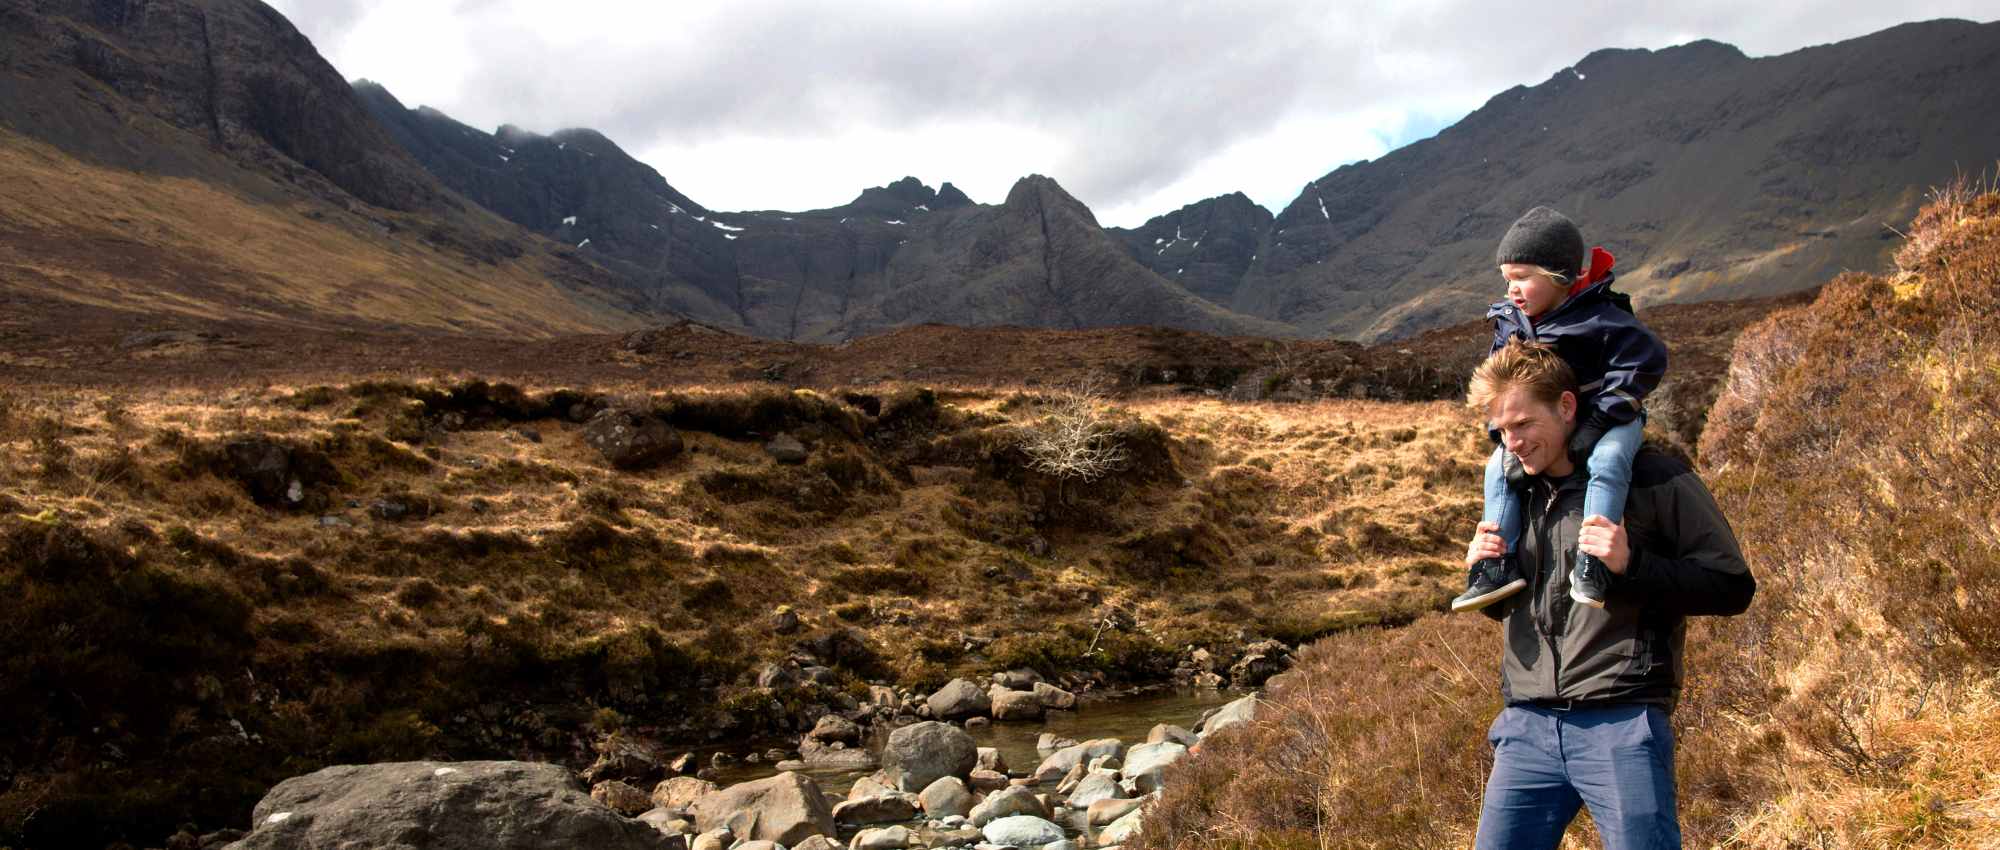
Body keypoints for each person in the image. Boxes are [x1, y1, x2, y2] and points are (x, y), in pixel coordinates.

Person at [1461, 340, 1755, 849]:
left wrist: (1630, 566)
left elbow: (1732, 587)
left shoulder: (1651, 477)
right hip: (1526, 728)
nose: (1513, 443)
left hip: (1621, 723)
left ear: (1567, 406)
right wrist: (1488, 573)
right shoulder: (1516, 492)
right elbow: (1534, 612)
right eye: (1502, 430)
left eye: (1525, 424)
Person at [1453, 206, 1668, 613]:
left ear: (1559, 276)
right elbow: (1500, 381)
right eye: (1507, 280)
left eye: (1522, 278)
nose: (1512, 290)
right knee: (1496, 468)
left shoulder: (1601, 318)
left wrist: (1603, 416)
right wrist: (1502, 432)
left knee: (1606, 461)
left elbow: (1648, 358)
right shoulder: (1511, 321)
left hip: (1610, 419)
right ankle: (1496, 563)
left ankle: (1595, 561)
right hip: (1548, 427)